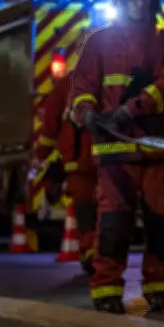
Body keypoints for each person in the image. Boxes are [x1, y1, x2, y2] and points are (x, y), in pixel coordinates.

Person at [69, 0, 164, 314]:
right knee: (113, 223)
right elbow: (82, 87)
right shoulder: (98, 42)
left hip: (156, 147)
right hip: (114, 151)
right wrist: (87, 113)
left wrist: (129, 111)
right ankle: (106, 288)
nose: (140, 2)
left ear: (155, 2)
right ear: (122, 0)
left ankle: (159, 287)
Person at [35, 46, 99, 275]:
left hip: (80, 162)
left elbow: (50, 124)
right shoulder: (110, 86)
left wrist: (42, 156)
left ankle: (91, 252)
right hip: (110, 160)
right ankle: (99, 252)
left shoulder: (66, 85)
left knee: (85, 208)